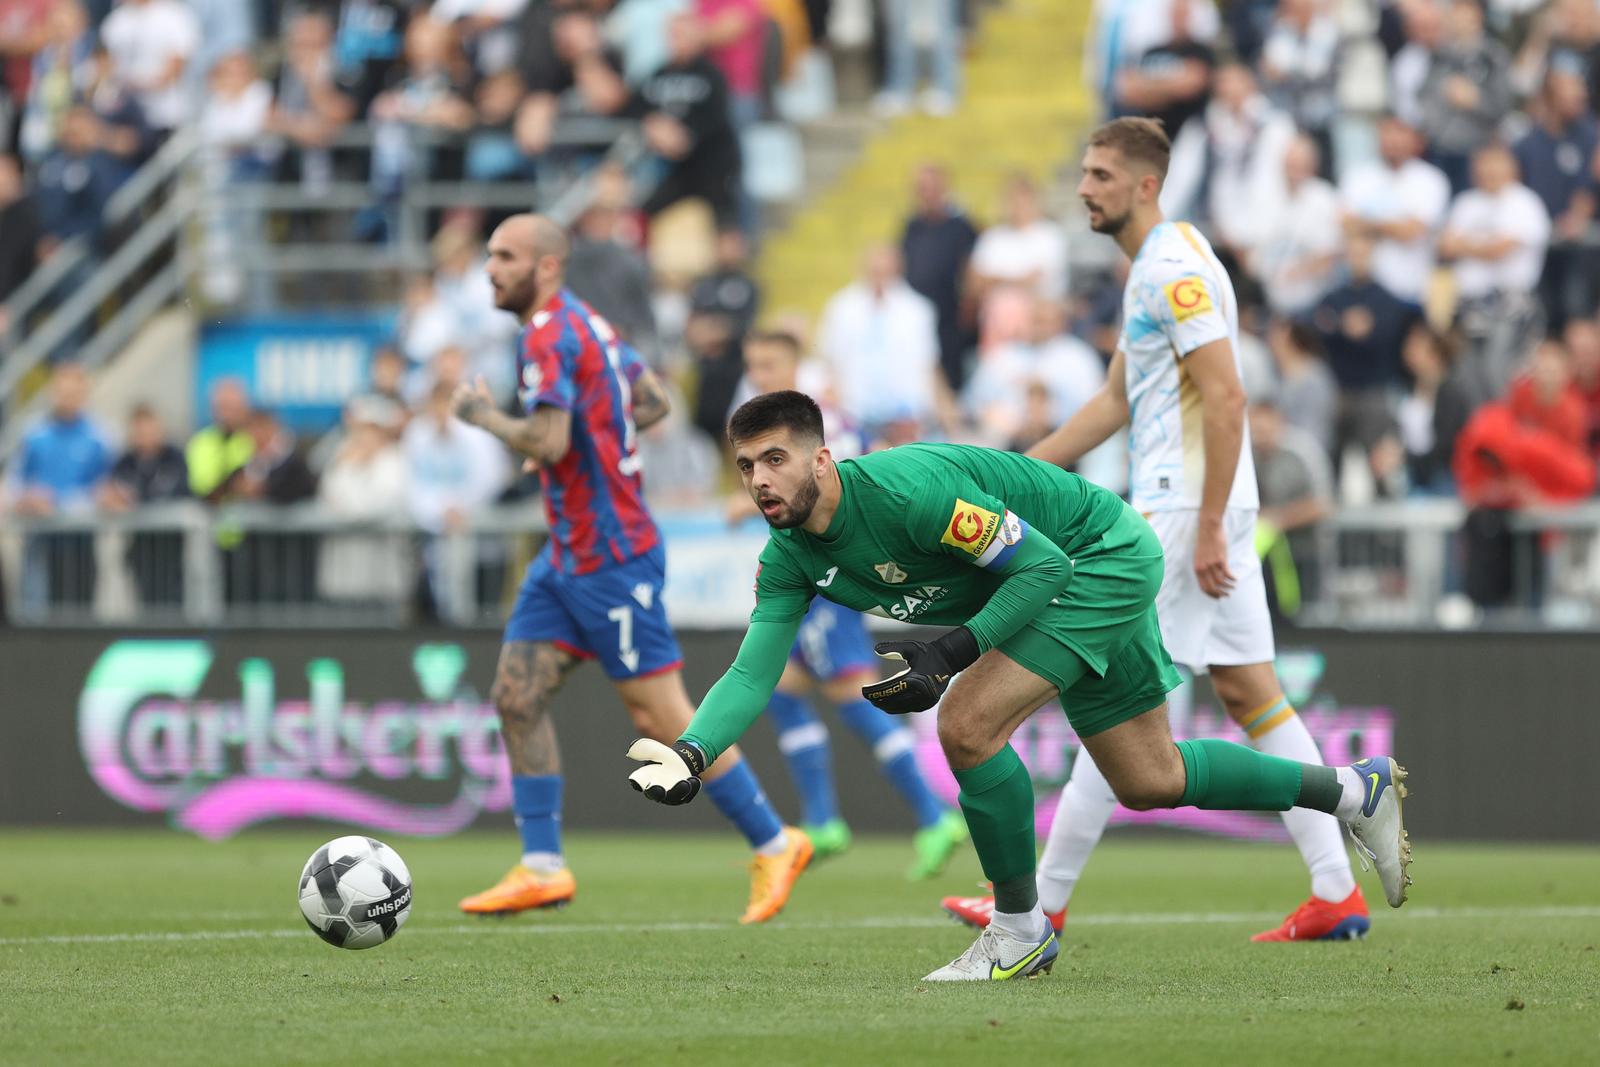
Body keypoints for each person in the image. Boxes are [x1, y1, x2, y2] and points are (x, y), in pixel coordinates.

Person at [625, 390, 1412, 980]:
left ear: (822, 459)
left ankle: (1019, 930)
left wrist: (951, 652)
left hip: (1097, 556)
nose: (759, 480)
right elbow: (753, 668)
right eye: (746, 467)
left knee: (966, 722)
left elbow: (1042, 564)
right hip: (1067, 576)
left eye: (775, 459)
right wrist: (692, 751)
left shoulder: (908, 494)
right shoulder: (788, 555)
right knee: (1150, 777)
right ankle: (1353, 790)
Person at [946, 117, 1383, 946]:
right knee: (1251, 692)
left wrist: (1209, 522)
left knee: (1108, 694)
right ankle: (1335, 889)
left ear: (1145, 184)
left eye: (1101, 176)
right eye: (1085, 172)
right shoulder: (1158, 262)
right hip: (1198, 504)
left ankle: (1044, 902)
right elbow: (1114, 401)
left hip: (1183, 509)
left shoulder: (1173, 270)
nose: (1085, 188)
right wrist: (1010, 477)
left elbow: (1226, 394)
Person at [450, 214, 811, 923]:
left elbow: (550, 440)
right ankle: (542, 865)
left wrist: (486, 417)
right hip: (567, 554)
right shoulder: (590, 324)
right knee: (516, 696)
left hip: (612, 556)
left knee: (662, 713)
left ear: (546, 266)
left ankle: (775, 840)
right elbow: (649, 401)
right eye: (489, 254)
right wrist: (587, 439)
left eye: (505, 256)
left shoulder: (547, 333)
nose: (490, 268)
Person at [730, 329, 968, 877]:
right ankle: (823, 821)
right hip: (806, 573)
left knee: (852, 695)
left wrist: (745, 507)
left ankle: (933, 816)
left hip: (828, 577)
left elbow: (846, 489)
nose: (759, 374)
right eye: (753, 364)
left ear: (795, 366)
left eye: (769, 364)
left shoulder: (818, 429)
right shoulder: (791, 427)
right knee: (784, 689)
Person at [8, 362, 110, 610]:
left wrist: (60, 504)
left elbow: (104, 489)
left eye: (73, 393)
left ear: (83, 394)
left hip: (80, 544)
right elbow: (15, 482)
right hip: (40, 543)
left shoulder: (99, 436)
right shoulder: (34, 434)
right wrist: (27, 498)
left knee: (80, 613)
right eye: (62, 392)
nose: (67, 399)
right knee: (37, 613)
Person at [99, 403, 189, 607]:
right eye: (139, 431)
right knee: (144, 605)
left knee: (172, 604)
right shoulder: (125, 462)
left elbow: (180, 491)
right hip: (140, 550)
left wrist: (136, 500)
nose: (144, 436)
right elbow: (113, 491)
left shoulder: (174, 458)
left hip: (170, 549)